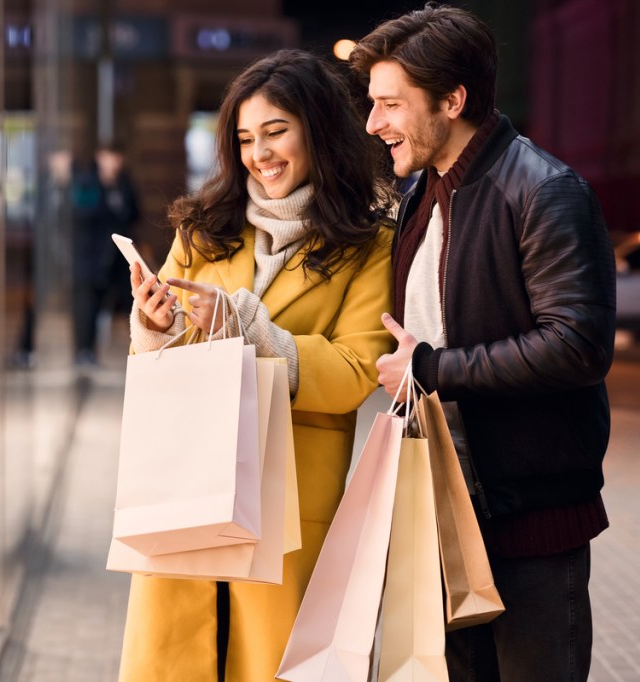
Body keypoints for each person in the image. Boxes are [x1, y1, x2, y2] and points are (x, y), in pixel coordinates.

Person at [350, 4, 616, 681]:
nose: (373, 123)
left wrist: (434, 367)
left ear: (452, 99)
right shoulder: (422, 194)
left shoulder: (545, 190)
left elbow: (578, 345)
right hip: (442, 507)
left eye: (389, 104)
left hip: (528, 516)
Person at [119, 49, 396, 681]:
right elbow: (158, 355)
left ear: (318, 132)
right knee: (180, 656)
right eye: (245, 138)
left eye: (276, 132)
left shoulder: (369, 244)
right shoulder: (202, 229)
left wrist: (250, 329)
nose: (259, 154)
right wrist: (155, 327)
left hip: (289, 497)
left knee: (274, 661)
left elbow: (357, 369)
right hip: (188, 485)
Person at [70, 140, 140, 365]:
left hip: (118, 257)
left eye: (117, 158)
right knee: (88, 304)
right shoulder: (88, 182)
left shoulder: (124, 183)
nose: (114, 163)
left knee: (131, 301)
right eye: (110, 157)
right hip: (92, 255)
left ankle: (141, 345)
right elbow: (82, 213)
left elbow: (134, 213)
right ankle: (84, 351)